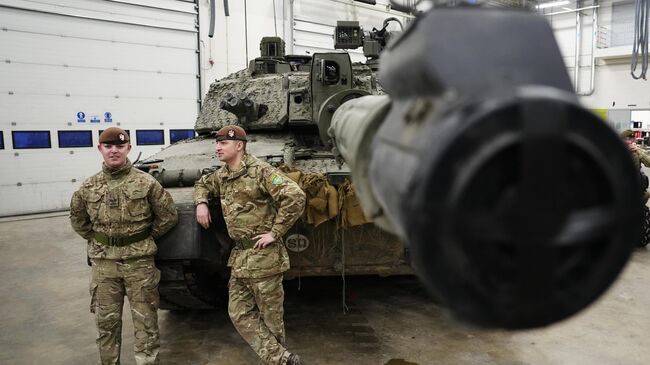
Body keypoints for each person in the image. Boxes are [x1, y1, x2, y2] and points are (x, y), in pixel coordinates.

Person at [193, 125, 306, 365]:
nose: (217, 147)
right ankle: (281, 359)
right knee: (238, 312)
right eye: (217, 143)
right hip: (241, 258)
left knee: (271, 318)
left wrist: (275, 232)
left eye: (223, 143)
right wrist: (201, 202)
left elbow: (295, 196)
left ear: (239, 145)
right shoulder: (222, 175)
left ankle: (277, 360)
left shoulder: (261, 172)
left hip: (264, 256)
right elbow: (202, 184)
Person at [70, 127, 178, 365]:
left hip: (139, 264)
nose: (114, 151)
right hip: (104, 266)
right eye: (108, 147)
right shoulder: (88, 187)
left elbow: (168, 216)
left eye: (120, 146)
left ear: (128, 148)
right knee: (106, 324)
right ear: (100, 149)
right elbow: (78, 220)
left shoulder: (146, 182)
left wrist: (142, 238)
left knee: (146, 323)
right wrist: (102, 241)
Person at [622, 129, 650, 247]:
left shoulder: (636, 151)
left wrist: (639, 152)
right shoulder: (615, 148)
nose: (629, 141)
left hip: (634, 190)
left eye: (631, 138)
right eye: (626, 138)